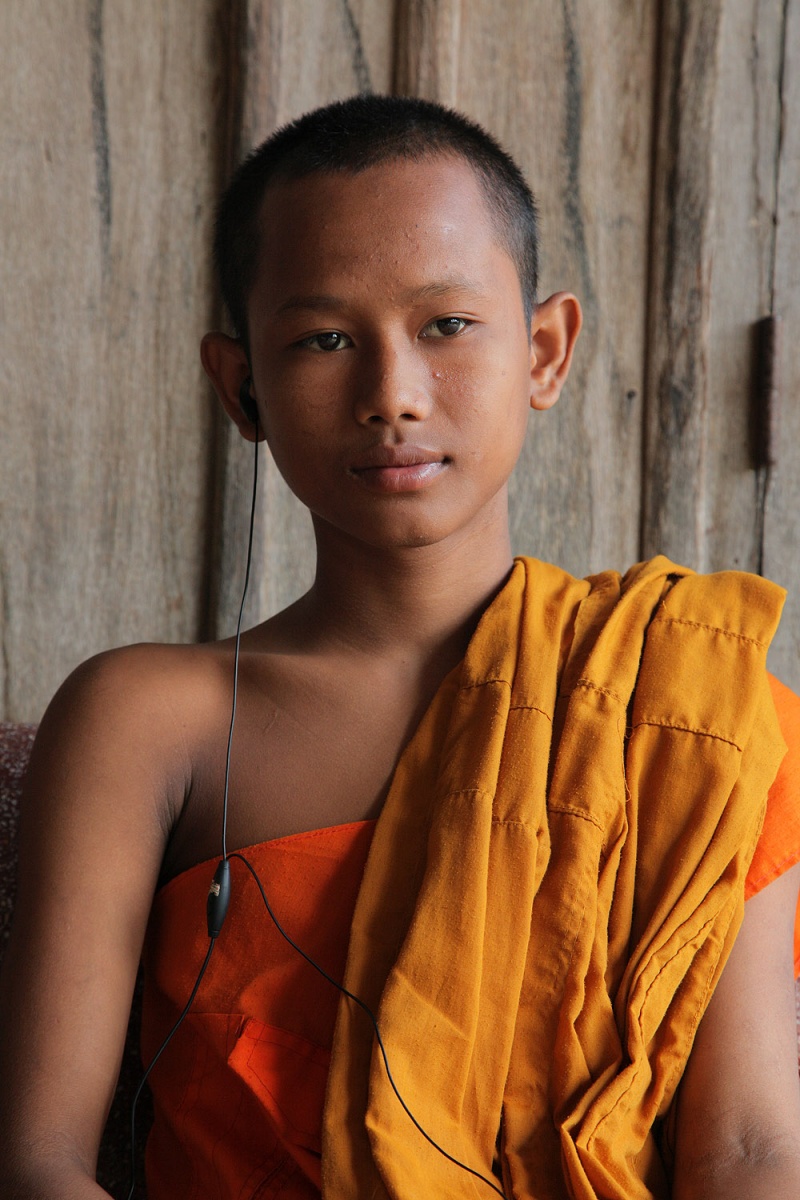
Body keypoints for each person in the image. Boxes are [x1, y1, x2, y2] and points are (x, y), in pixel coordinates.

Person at [1, 94, 799, 1200]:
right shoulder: (146, 718)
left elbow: (751, 1149)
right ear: (241, 386)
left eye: (446, 326)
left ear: (545, 352)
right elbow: (40, 1161)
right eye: (324, 339)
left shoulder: (683, 705)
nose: (392, 396)